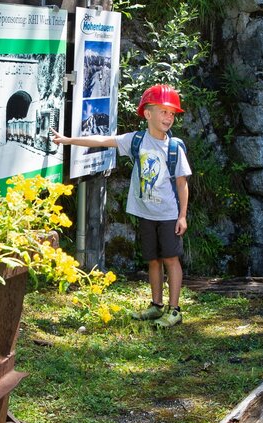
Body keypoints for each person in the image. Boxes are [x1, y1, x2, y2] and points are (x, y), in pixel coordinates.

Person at [51, 84, 191, 328]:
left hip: (168, 214)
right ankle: (156, 306)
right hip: (145, 213)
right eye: (163, 111)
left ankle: (175, 309)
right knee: (153, 260)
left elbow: (182, 184)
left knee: (171, 259)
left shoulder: (174, 147)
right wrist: (67, 140)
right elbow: (103, 139)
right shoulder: (135, 140)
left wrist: (182, 216)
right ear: (148, 114)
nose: (169, 117)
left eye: (172, 113)